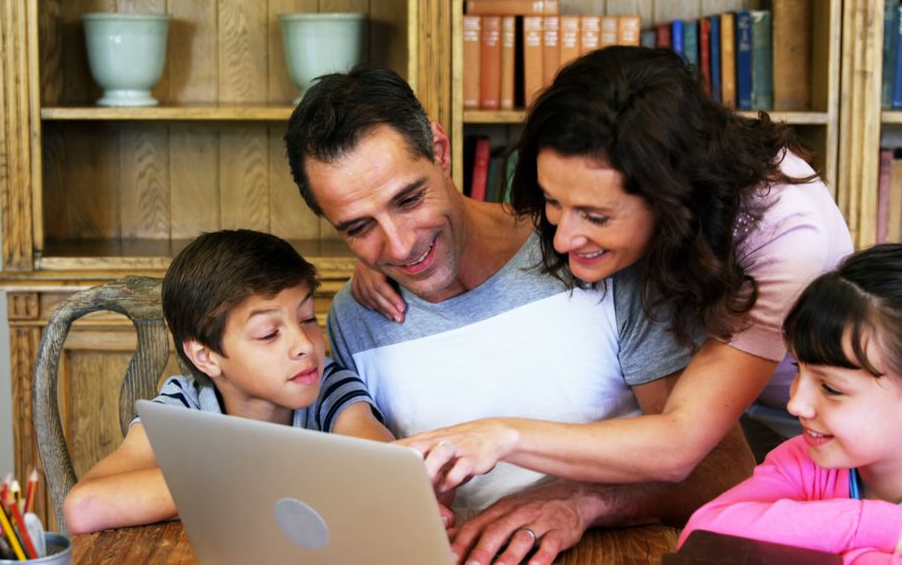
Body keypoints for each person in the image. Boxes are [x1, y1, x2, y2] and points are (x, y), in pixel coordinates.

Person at [284, 64, 755, 565]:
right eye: (359, 228)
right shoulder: (356, 317)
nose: (400, 245)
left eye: (409, 199)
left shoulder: (593, 253)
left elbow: (724, 467)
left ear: (440, 152)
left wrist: (584, 500)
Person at [358, 45, 850, 488]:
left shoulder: (785, 234)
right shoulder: (623, 177)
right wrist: (400, 255)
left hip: (824, 452)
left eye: (596, 217)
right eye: (553, 201)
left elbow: (680, 443)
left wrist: (501, 435)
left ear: (670, 201)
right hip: (742, 424)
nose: (566, 237)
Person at [680, 244, 902, 562]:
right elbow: (703, 533)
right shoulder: (807, 461)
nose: (796, 404)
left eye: (830, 388)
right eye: (798, 369)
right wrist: (878, 526)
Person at [62, 229, 392, 534]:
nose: (305, 345)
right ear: (205, 356)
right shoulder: (183, 407)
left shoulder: (327, 386)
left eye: (307, 318)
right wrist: (250, 480)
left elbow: (385, 471)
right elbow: (85, 506)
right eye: (268, 333)